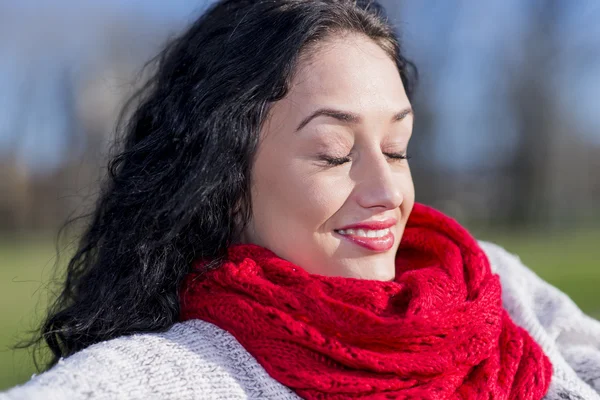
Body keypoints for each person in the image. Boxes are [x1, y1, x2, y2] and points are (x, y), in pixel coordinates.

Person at [2, 1, 600, 399]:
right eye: (335, 153)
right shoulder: (189, 371)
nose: (389, 191)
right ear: (224, 183)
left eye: (396, 146)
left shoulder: (491, 280)